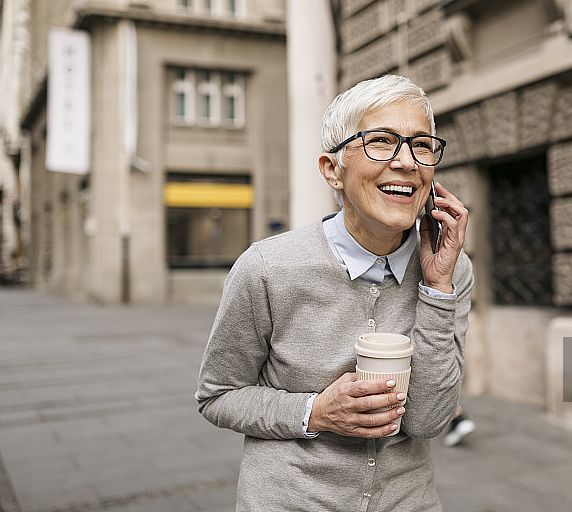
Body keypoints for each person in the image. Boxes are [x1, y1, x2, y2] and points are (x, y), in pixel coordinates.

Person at [195, 74, 473, 511]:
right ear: (333, 170)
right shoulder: (268, 268)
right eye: (381, 140)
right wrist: (315, 412)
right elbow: (217, 396)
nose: (406, 162)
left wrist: (438, 287)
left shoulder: (450, 266)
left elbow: (429, 421)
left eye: (422, 145)